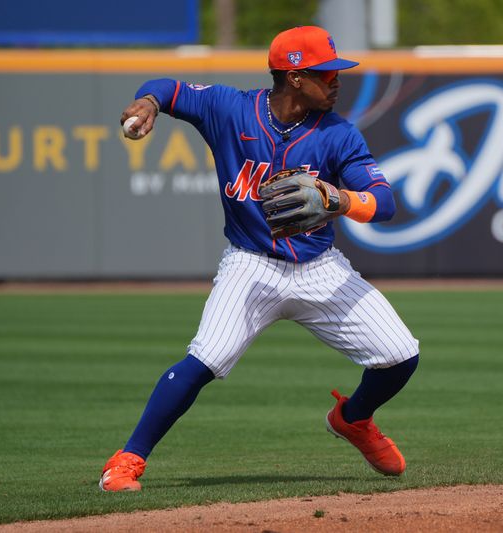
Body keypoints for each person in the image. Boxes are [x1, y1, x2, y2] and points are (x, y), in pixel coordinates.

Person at [99, 25, 420, 492]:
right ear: (293, 77)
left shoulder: (338, 134)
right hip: (251, 264)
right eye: (324, 73)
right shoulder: (229, 108)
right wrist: (148, 103)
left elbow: (383, 202)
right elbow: (166, 89)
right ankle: (126, 460)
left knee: (401, 355)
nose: (336, 80)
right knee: (205, 359)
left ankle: (352, 419)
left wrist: (342, 199)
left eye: (335, 72)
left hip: (319, 267)